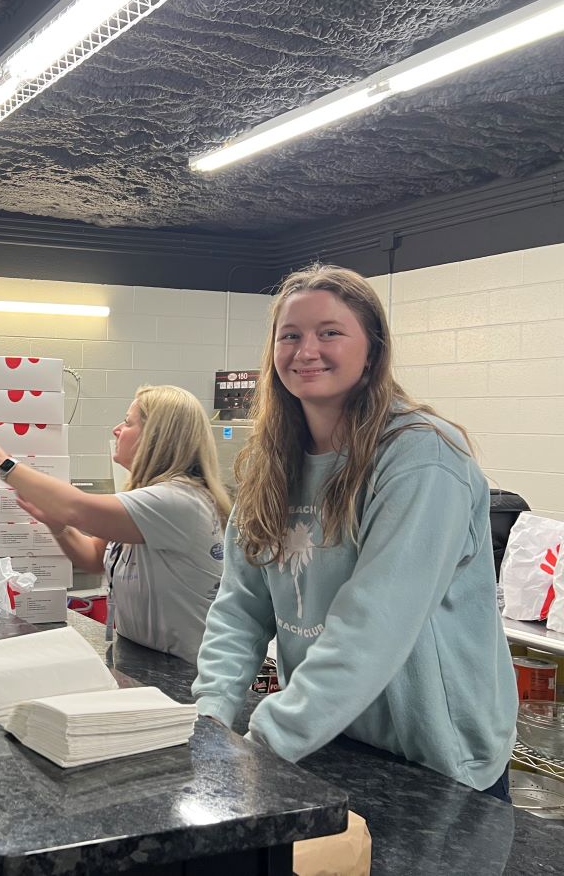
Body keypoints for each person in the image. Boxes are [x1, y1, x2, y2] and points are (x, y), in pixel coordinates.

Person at [192, 264, 517, 800]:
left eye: (330, 332)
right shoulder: (271, 462)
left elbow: (374, 623)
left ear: (372, 351)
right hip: (328, 738)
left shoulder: (422, 456)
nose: (306, 350)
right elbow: (239, 608)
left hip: (435, 762)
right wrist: (210, 719)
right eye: (289, 335)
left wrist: (265, 742)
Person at [0, 385, 231, 664]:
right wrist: (59, 526)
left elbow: (76, 507)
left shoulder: (178, 501)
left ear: (157, 437)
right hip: (146, 658)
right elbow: (94, 557)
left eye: (128, 423)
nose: (116, 430)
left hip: (187, 669)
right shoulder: (149, 497)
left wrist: (4, 465)